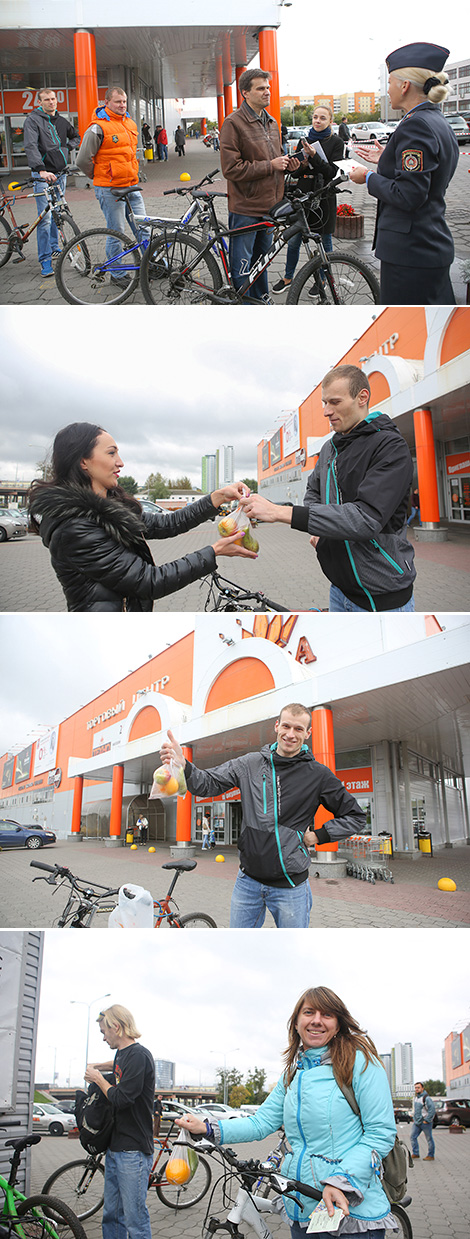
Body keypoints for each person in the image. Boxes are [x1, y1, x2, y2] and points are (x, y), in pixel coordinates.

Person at [176, 985, 397, 1238]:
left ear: (338, 1024)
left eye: (326, 1015)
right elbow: (261, 1123)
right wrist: (207, 1127)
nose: (316, 1020)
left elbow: (380, 1133)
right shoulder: (293, 1074)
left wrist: (340, 1180)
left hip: (349, 1208)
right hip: (301, 1205)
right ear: (296, 1022)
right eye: (309, 1012)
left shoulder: (361, 1063)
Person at [160, 704, 366, 929]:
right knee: (241, 951)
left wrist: (318, 836)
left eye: (298, 729)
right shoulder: (250, 764)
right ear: (276, 726)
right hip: (248, 882)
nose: (290, 734)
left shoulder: (318, 775)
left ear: (308, 733)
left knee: (291, 953)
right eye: (286, 726)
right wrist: (184, 766)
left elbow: (355, 816)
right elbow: (207, 784)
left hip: (291, 886)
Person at [240, 364, 416, 613]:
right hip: (339, 590)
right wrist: (318, 528)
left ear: (362, 397)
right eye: (324, 402)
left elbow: (366, 519)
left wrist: (281, 513)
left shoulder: (389, 447)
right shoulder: (329, 449)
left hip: (383, 599)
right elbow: (313, 491)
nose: (325, 411)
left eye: (334, 402)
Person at [28, 422, 257, 613]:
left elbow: (168, 523)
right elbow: (148, 582)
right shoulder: (75, 528)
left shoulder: (111, 509)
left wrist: (217, 498)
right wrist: (214, 552)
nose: (120, 462)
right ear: (83, 461)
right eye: (111, 453)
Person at [349, 42, 459, 304]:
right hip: (427, 247)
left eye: (390, 82)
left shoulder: (415, 125)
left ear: (405, 85)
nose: (387, 90)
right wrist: (387, 157)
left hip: (410, 255)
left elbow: (409, 195)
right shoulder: (436, 120)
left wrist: (367, 177)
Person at [219, 68, 299, 302]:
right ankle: (243, 304)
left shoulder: (272, 122)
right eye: (261, 88)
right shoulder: (233, 123)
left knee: (262, 261)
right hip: (246, 208)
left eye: (268, 87)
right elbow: (231, 169)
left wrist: (289, 164)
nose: (267, 92)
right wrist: (270, 165)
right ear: (245, 92)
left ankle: (261, 299)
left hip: (270, 206)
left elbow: (276, 159)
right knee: (242, 266)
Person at [84, 1004, 154, 1239]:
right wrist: (97, 1066)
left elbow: (122, 1099)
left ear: (117, 1026)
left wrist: (98, 1079)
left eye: (104, 1032)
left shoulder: (139, 1055)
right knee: (112, 1216)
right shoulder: (122, 1054)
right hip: (115, 1149)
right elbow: (116, 1066)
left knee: (134, 1220)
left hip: (133, 1151)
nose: (103, 1037)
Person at [76, 86, 149, 281]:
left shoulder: (130, 124)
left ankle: (153, 264)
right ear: (106, 102)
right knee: (116, 231)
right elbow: (82, 160)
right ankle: (117, 274)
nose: (122, 105)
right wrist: (99, 176)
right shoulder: (97, 127)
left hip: (131, 186)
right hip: (109, 189)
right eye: (118, 101)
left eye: (124, 101)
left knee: (143, 227)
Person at [273, 105, 343, 296]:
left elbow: (332, 172)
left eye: (322, 118)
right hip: (302, 196)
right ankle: (288, 277)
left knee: (325, 241)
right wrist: (300, 165)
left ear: (330, 121)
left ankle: (322, 279)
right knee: (294, 240)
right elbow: (296, 172)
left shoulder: (336, 142)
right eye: (315, 117)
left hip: (324, 196)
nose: (317, 121)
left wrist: (314, 156)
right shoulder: (305, 140)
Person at [23, 88, 80, 277]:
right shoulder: (33, 120)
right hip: (42, 175)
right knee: (45, 218)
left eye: (53, 98)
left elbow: (76, 137)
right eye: (46, 99)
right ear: (40, 102)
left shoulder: (62, 121)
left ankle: (55, 247)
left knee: (58, 213)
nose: (51, 102)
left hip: (60, 174)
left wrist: (66, 150)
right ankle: (45, 260)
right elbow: (31, 146)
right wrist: (41, 170)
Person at [411, 1081, 436, 1160]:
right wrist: (414, 1117)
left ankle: (431, 1155)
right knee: (412, 1137)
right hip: (417, 1122)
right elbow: (415, 1109)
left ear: (422, 1088)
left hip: (425, 1123)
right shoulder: (416, 1098)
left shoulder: (426, 1098)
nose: (417, 1089)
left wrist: (427, 1120)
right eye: (415, 1088)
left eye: (418, 1087)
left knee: (429, 1139)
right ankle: (415, 1153)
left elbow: (432, 1110)